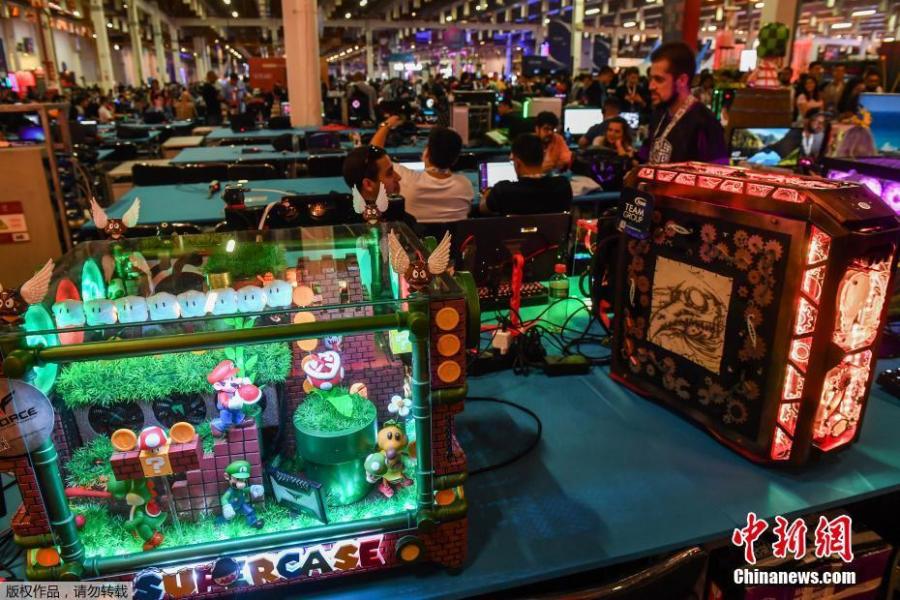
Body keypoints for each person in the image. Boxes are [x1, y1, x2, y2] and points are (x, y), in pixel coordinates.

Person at [638, 42, 727, 165]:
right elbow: (644, 157)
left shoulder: (705, 122)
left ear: (682, 80)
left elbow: (719, 171)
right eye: (650, 79)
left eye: (659, 80)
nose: (651, 86)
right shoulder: (659, 113)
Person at [389, 126, 474, 224]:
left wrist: (387, 125)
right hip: (453, 235)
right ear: (455, 159)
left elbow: (377, 157)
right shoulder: (465, 185)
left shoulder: (405, 178)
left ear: (427, 153)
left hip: (415, 234)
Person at [480, 134, 573, 216]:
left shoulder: (502, 191)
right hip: (551, 231)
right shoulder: (563, 186)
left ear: (517, 163)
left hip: (514, 231)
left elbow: (483, 209)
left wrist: (487, 193)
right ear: (543, 158)